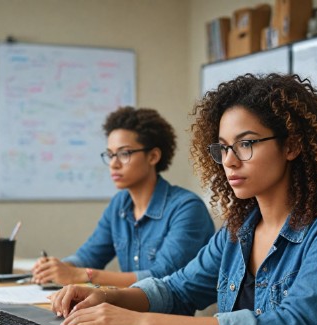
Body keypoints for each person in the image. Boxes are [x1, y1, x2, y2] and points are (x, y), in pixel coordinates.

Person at [49, 74, 317, 325]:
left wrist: (139, 323)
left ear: (292, 146)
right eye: (223, 147)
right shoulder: (237, 231)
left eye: (246, 144)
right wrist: (107, 296)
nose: (230, 161)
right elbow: (178, 290)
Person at [30, 106, 214, 287]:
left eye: (124, 153)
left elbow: (161, 277)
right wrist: (57, 268)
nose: (113, 164)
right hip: (124, 312)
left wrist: (81, 275)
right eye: (110, 155)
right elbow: (89, 256)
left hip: (164, 316)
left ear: (153, 156)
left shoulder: (187, 208)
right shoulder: (119, 204)